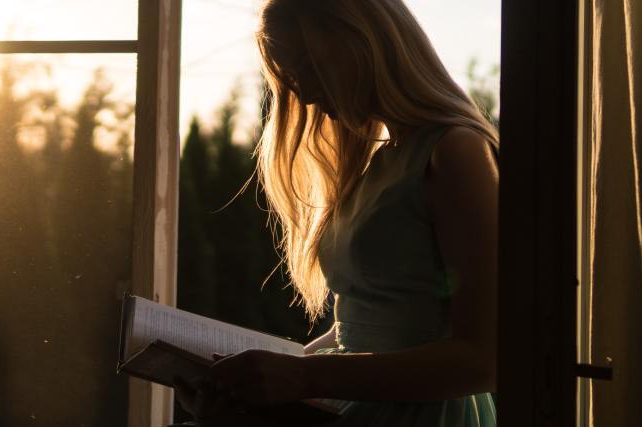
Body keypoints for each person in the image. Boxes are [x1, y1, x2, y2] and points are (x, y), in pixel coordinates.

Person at [171, 0, 500, 425]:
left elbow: (484, 358)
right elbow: (358, 328)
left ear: (362, 43)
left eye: (308, 66)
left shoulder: (455, 151)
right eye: (292, 78)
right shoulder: (379, 165)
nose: (304, 94)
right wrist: (248, 385)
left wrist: (302, 377)